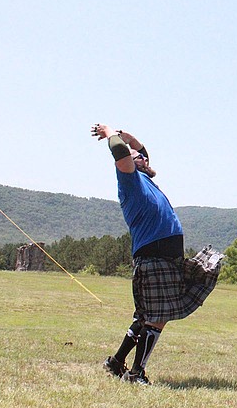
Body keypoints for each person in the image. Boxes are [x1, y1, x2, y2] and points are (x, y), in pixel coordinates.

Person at [93, 123, 220, 385]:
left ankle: (116, 362)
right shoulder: (130, 181)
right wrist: (110, 134)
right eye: (137, 156)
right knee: (157, 317)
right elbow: (119, 151)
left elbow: (142, 154)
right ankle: (137, 373)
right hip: (152, 256)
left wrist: (133, 140)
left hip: (165, 257)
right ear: (131, 162)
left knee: (145, 316)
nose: (142, 157)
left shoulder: (146, 178)